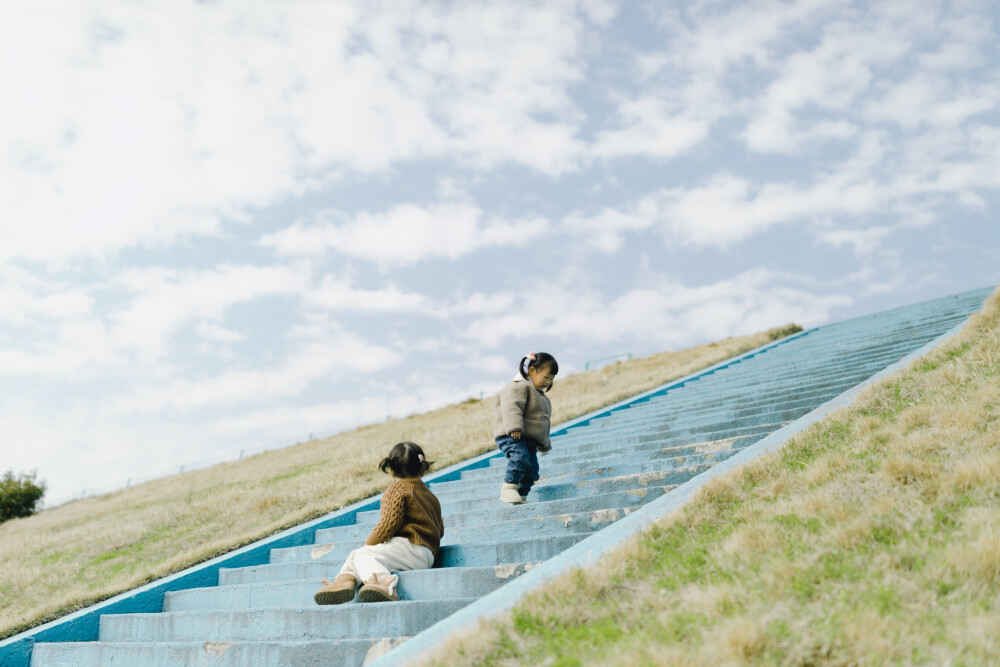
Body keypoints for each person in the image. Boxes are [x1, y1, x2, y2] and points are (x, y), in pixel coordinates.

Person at [313, 442, 443, 604]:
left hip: (410, 549)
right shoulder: (430, 496)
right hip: (426, 555)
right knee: (356, 555)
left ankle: (385, 584)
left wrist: (369, 543)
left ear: (391, 470)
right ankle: (344, 581)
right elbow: (440, 530)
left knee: (364, 553)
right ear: (423, 468)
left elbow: (388, 524)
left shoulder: (397, 490)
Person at [493, 351, 558, 505]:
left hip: (528, 439)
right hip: (512, 434)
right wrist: (514, 426)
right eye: (546, 376)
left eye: (552, 379)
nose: (548, 382)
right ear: (532, 371)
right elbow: (511, 407)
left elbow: (543, 423)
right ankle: (508, 487)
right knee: (519, 458)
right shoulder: (519, 386)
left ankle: (521, 495)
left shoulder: (542, 397)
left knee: (533, 471)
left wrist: (544, 443)